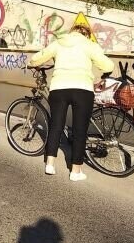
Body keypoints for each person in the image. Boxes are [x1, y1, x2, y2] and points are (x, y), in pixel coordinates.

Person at [28, 24, 114, 181]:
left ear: (71, 32)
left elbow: (37, 58)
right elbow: (108, 65)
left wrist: (32, 64)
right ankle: (75, 171)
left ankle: (50, 164)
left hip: (59, 88)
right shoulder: (89, 45)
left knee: (56, 126)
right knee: (80, 131)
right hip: (82, 90)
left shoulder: (59, 42)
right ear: (86, 34)